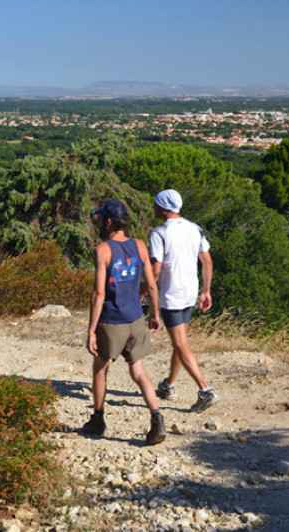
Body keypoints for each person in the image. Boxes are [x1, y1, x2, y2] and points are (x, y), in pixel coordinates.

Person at [84, 198, 165, 445]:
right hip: (135, 318)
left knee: (100, 368)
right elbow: (151, 285)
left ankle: (98, 419)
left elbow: (98, 295)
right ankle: (157, 417)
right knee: (139, 372)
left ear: (108, 221)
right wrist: (154, 314)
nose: (98, 222)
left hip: (111, 320)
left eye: (100, 219)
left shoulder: (103, 250)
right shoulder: (139, 245)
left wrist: (91, 332)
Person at [149, 189, 219, 413]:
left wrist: (145, 289)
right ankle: (169, 385)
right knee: (180, 342)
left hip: (172, 295)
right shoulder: (194, 228)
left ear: (163, 207)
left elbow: (156, 269)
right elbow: (207, 261)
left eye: (156, 204)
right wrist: (206, 291)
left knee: (180, 344)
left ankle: (205, 390)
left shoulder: (159, 233)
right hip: (190, 292)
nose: (153, 207)